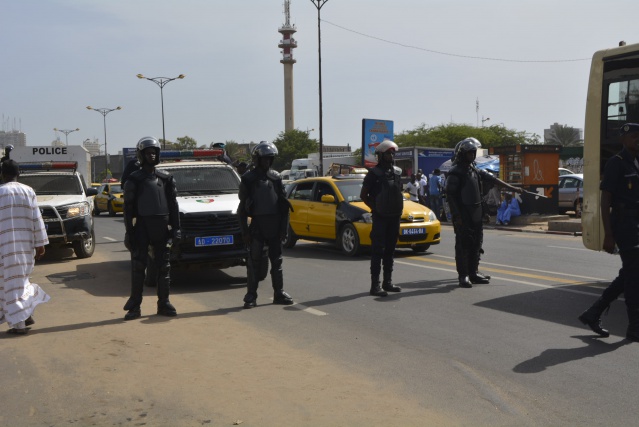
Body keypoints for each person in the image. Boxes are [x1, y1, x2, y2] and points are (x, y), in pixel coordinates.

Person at [579, 123, 639, 342]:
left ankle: (593, 313)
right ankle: (634, 327)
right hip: (623, 224)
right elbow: (606, 200)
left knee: (631, 273)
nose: (638, 140)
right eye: (634, 136)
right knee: (633, 277)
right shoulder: (617, 162)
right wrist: (608, 234)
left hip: (636, 224)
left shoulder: (636, 162)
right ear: (623, 140)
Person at [445, 137, 523, 288]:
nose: (472, 156)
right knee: (463, 246)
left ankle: (473, 272)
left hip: (476, 212)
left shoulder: (474, 170)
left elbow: (492, 180)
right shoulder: (455, 172)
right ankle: (463, 275)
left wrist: (513, 188)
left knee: (476, 244)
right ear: (462, 154)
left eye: (473, 153)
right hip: (463, 214)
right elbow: (450, 196)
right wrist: (456, 215)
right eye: (469, 153)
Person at [122, 137, 181, 321]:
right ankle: (135, 306)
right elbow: (127, 209)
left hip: (162, 227)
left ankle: (164, 303)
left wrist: (176, 228)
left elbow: (173, 205)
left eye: (154, 152)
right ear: (141, 155)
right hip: (142, 227)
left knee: (164, 267)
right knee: (139, 267)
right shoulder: (134, 179)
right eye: (148, 153)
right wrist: (129, 232)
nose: (152, 155)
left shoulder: (166, 178)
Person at [238, 140, 294, 308]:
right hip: (257, 226)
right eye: (264, 158)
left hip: (275, 226)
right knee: (254, 263)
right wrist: (245, 232)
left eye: (270, 158)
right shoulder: (248, 179)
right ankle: (251, 295)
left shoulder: (276, 178)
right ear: (257, 159)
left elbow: (284, 206)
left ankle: (279, 292)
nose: (267, 162)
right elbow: (242, 209)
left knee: (277, 262)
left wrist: (283, 229)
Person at [0, 160, 49, 335]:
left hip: (4, 249)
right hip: (24, 249)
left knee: (10, 286)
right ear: (18, 173)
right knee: (21, 283)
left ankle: (19, 325)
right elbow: (37, 219)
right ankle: (26, 315)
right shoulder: (29, 191)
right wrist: (40, 244)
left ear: (2, 174)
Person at [360, 139, 404, 297]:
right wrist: (375, 208)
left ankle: (388, 282)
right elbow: (363, 195)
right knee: (378, 251)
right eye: (387, 154)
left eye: (392, 153)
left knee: (390, 250)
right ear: (380, 155)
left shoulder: (397, 172)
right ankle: (375, 285)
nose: (391, 156)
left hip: (394, 217)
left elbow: (398, 192)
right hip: (380, 218)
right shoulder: (373, 174)